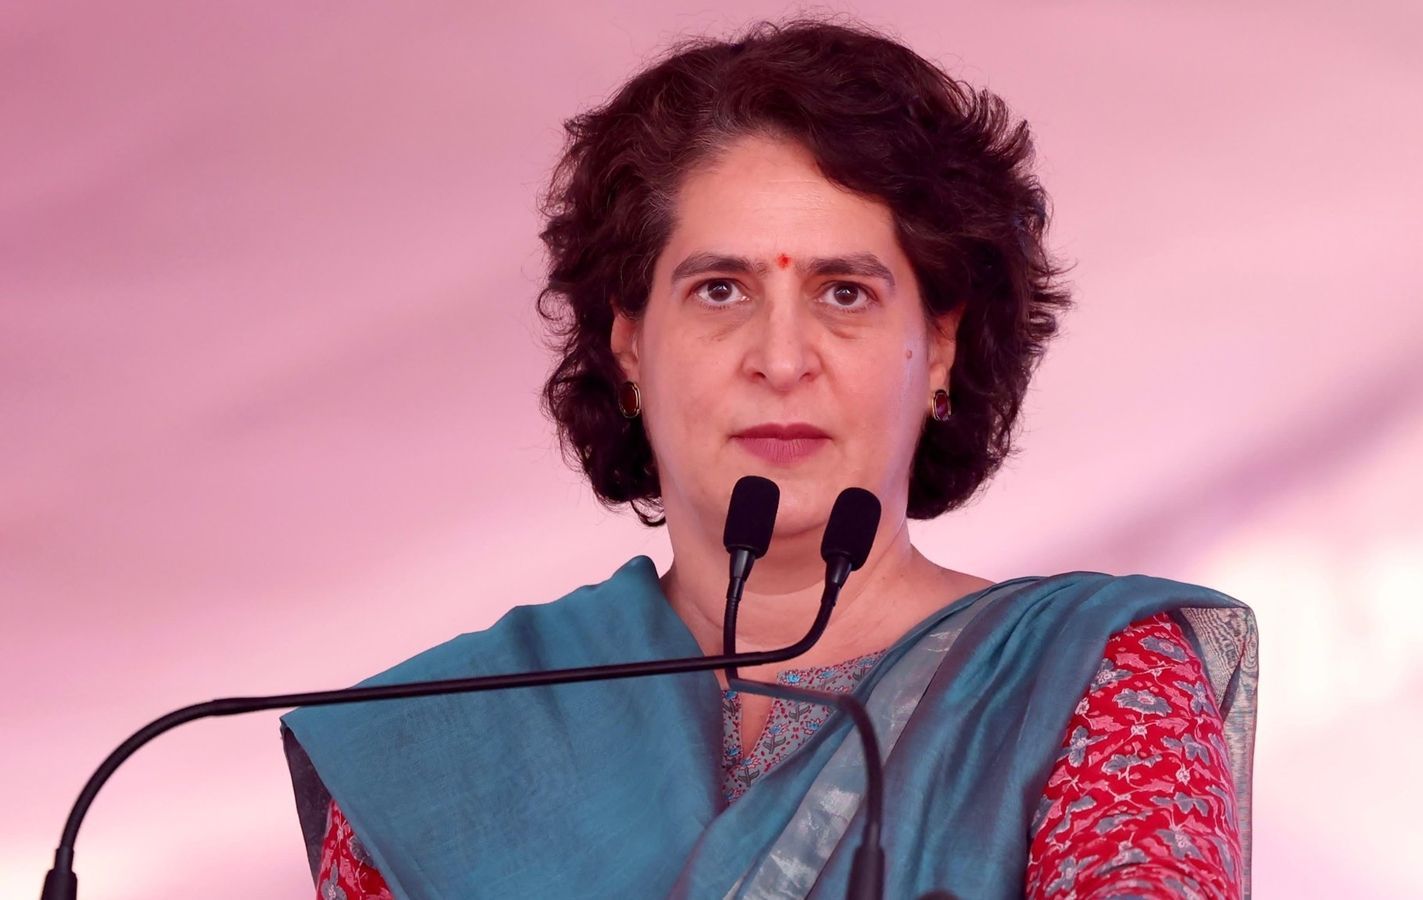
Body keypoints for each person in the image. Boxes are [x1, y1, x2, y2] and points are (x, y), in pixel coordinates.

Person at [280, 16, 1258, 900]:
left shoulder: (1090, 680)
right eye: (719, 290)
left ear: (939, 348)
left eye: (844, 293)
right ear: (629, 347)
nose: (782, 360)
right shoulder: (440, 746)